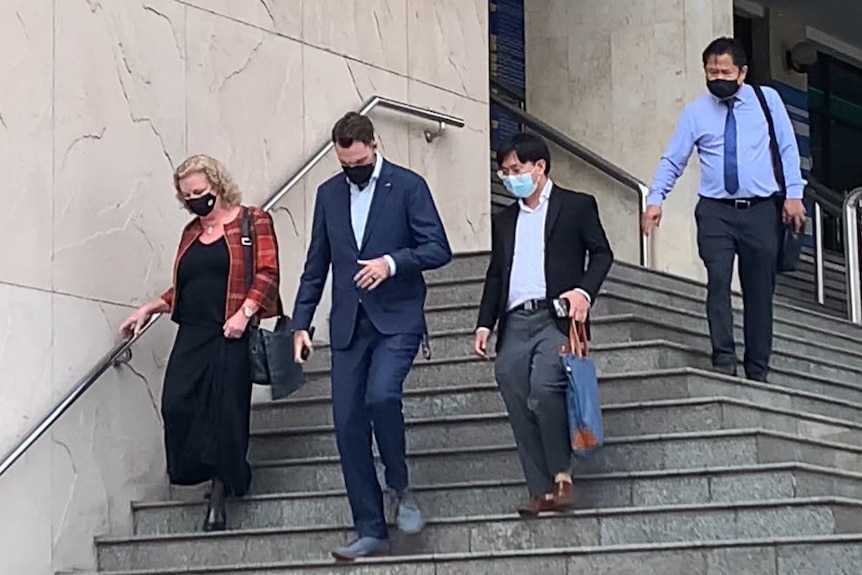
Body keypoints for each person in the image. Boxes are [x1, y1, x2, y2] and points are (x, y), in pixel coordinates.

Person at [291, 112, 452, 560]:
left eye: (360, 163)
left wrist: (391, 263)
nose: (353, 171)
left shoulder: (407, 186)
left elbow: (438, 247)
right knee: (346, 425)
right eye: (346, 165)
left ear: (374, 145)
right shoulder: (327, 194)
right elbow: (316, 264)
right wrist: (300, 323)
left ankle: (400, 486)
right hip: (347, 325)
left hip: (397, 319)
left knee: (382, 396)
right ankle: (370, 528)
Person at [119, 155, 280, 531]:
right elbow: (189, 285)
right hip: (193, 330)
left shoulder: (251, 220)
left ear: (218, 186)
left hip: (230, 328)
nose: (195, 199)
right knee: (176, 403)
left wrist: (245, 312)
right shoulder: (191, 233)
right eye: (187, 194)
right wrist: (152, 307)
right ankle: (211, 470)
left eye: (200, 192)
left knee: (225, 410)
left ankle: (219, 494)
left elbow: (267, 271)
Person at [642, 37, 807, 382]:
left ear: (742, 72)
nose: (717, 77)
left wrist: (794, 194)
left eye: (725, 71)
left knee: (759, 290)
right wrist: (656, 198)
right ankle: (724, 356)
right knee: (718, 280)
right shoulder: (695, 113)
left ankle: (757, 369)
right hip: (716, 211)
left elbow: (789, 149)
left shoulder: (767, 101)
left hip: (762, 210)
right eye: (711, 71)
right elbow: (674, 159)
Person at [474, 133, 613, 516]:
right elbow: (495, 275)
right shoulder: (506, 220)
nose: (509, 177)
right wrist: (484, 323)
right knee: (513, 387)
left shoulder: (576, 206)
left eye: (516, 170)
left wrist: (583, 293)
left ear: (540, 167)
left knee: (545, 384)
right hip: (515, 321)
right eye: (503, 172)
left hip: (557, 318)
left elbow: (602, 253)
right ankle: (540, 490)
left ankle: (562, 476)